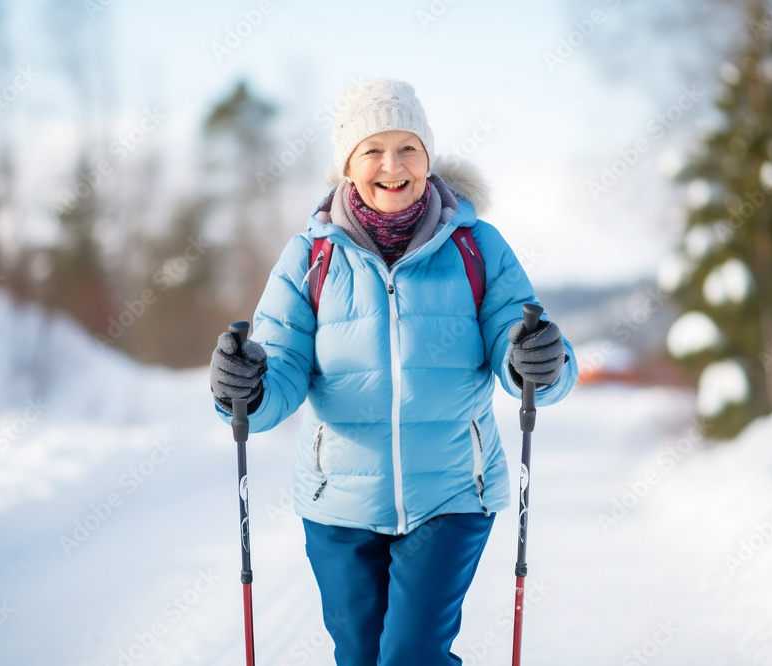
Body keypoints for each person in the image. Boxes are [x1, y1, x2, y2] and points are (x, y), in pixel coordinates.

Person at [211, 78, 577, 666]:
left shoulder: (476, 247)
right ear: (347, 166)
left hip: (453, 490)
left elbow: (525, 351)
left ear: (428, 157)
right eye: (372, 150)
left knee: (411, 655)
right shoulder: (310, 256)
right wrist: (245, 386)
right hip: (339, 501)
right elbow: (277, 369)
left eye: (407, 147)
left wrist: (539, 360)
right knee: (359, 656)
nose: (392, 165)